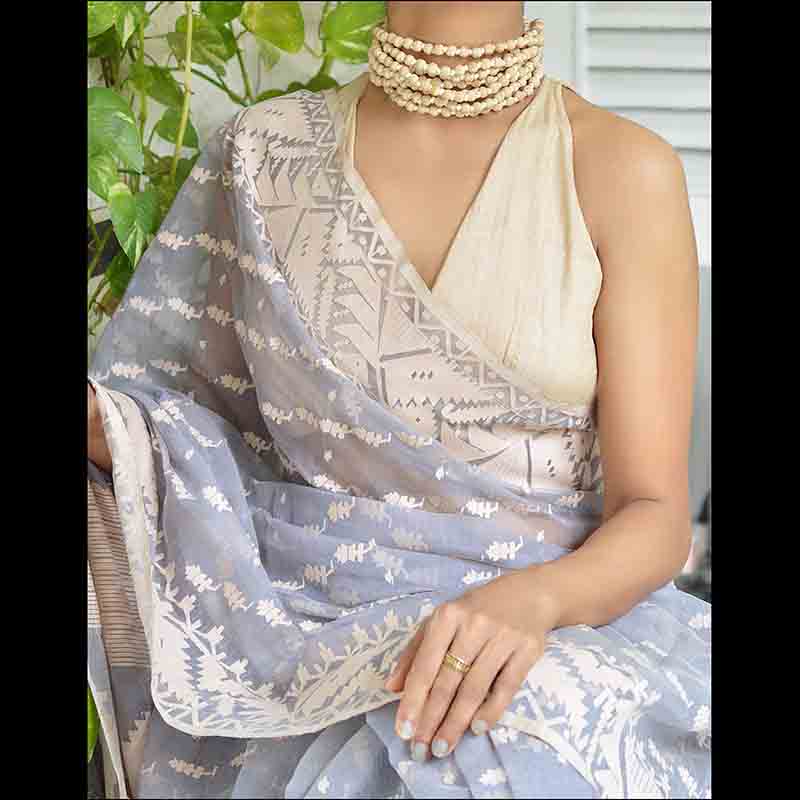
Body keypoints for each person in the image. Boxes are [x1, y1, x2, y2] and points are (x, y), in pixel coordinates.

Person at [87, 2, 711, 797]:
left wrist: (532, 603)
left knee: (502, 740)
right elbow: (186, 435)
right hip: (308, 629)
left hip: (551, 624)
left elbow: (654, 514)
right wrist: (115, 430)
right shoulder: (261, 153)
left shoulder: (624, 169)